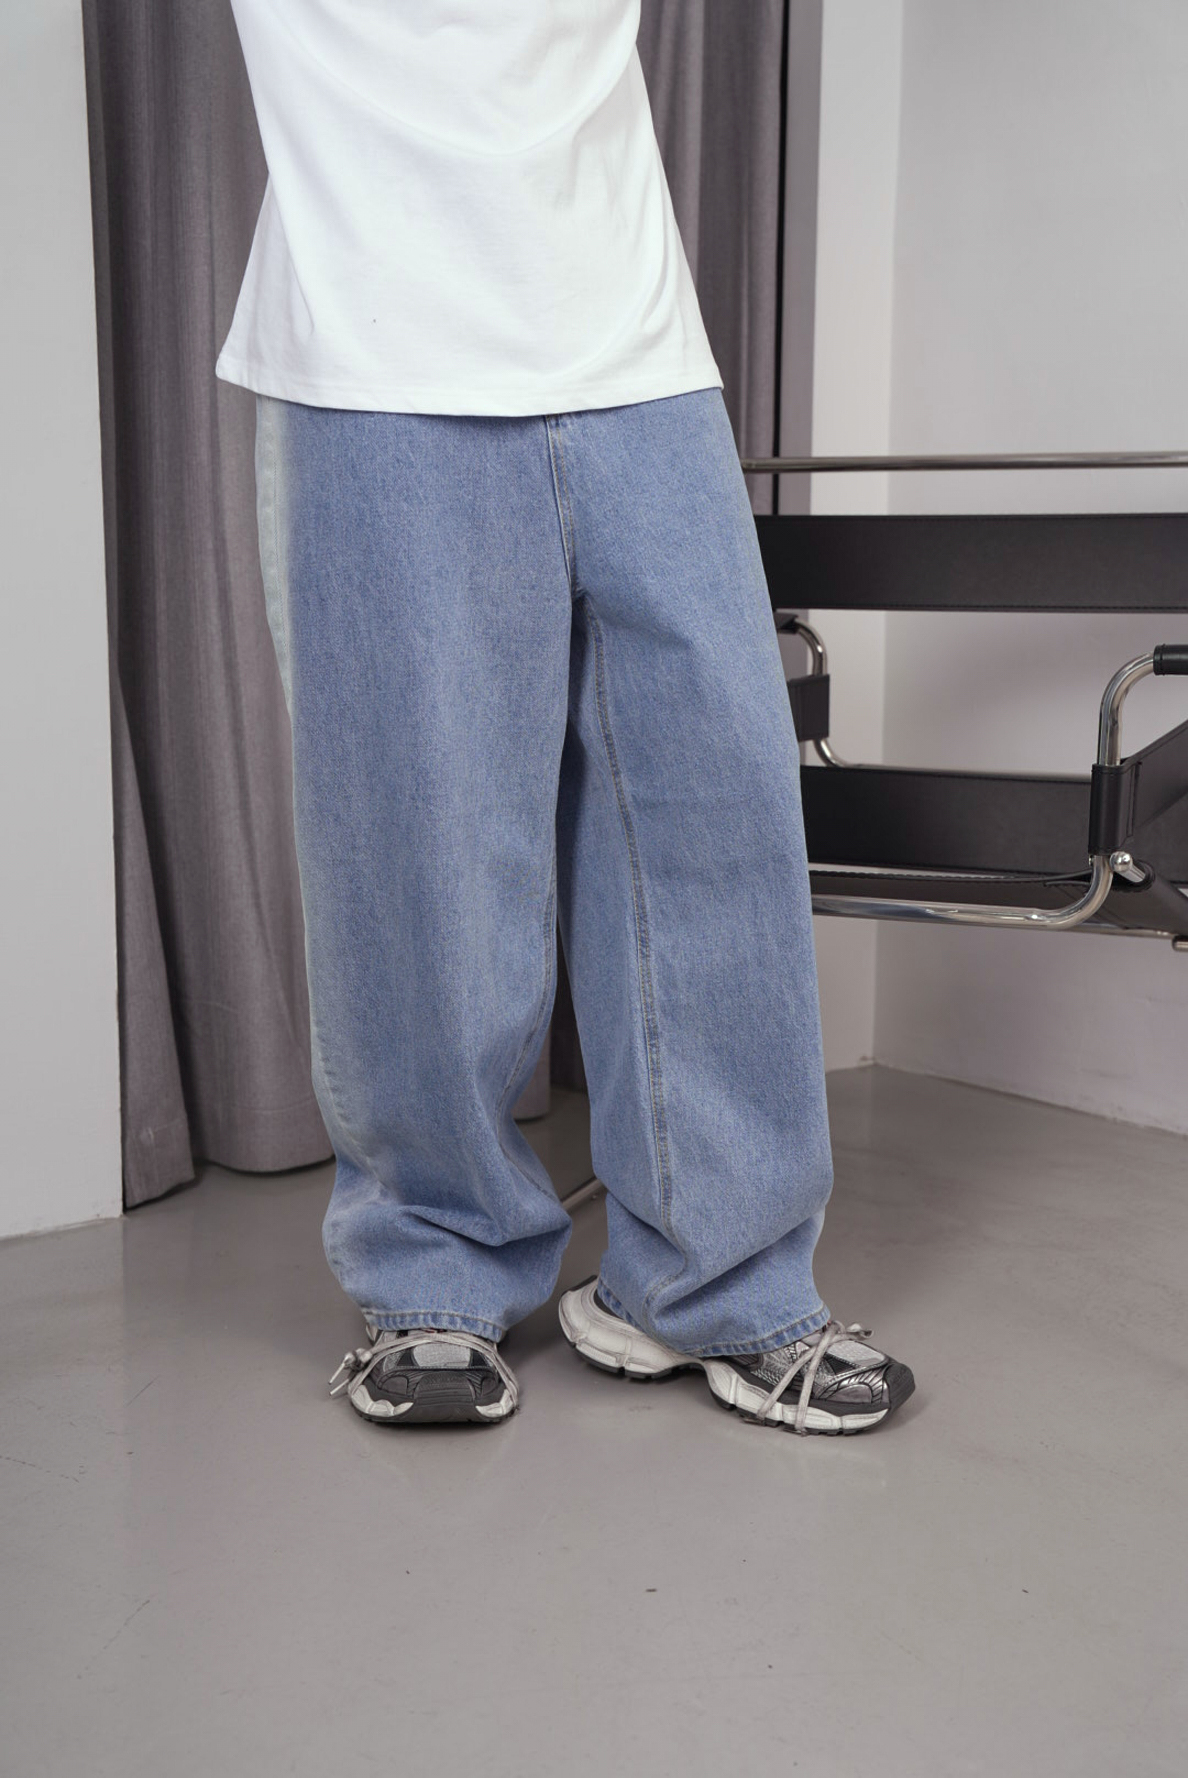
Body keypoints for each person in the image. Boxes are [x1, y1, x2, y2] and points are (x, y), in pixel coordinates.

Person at [216, 0, 914, 1436]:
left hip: (636, 349)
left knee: (712, 815)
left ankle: (716, 1277)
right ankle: (433, 1268)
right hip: (377, 354)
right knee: (420, 843)